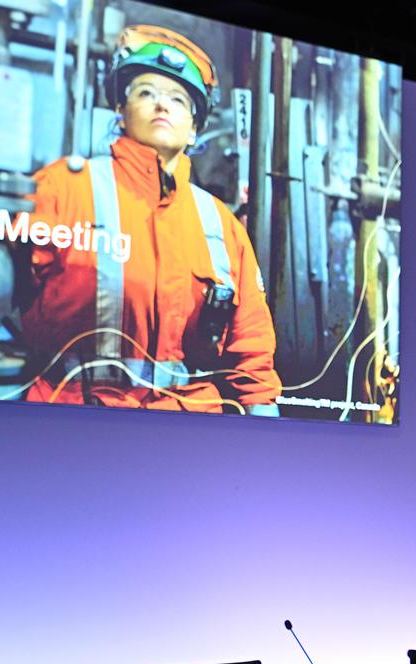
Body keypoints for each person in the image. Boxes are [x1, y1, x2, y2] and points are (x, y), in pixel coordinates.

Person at [15, 25, 280, 413]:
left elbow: (250, 342)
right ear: (120, 112)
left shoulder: (220, 225)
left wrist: (263, 413)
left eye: (177, 99)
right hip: (74, 410)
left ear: (194, 129)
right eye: (145, 93)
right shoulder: (63, 187)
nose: (161, 105)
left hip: (185, 422)